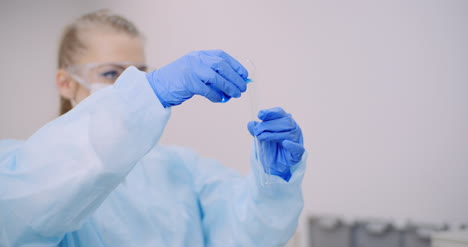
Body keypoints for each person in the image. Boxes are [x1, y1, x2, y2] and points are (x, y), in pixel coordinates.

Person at [0, 10, 306, 247]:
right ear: (66, 83)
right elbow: (18, 215)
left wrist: (273, 184)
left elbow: (248, 233)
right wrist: (148, 93)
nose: (130, 84)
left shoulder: (181, 169)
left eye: (139, 74)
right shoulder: (22, 167)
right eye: (111, 73)